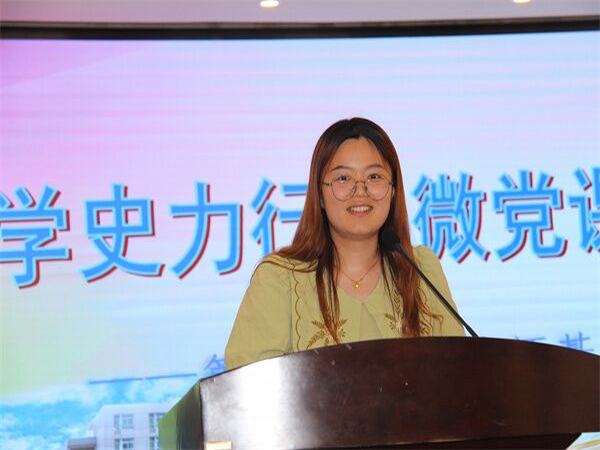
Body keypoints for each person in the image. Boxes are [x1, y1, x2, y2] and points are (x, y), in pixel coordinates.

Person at [225, 117, 464, 370]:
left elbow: (460, 369)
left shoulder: (421, 269)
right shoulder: (280, 278)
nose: (360, 191)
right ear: (320, 194)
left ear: (393, 190)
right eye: (343, 179)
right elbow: (248, 383)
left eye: (374, 176)